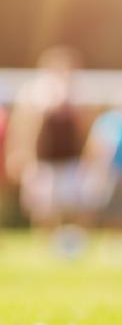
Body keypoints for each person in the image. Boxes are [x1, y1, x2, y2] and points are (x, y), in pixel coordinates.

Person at [5, 46, 87, 230]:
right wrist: (19, 153)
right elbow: (23, 125)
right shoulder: (35, 91)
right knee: (43, 208)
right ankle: (45, 246)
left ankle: (65, 243)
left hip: (70, 160)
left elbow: (83, 127)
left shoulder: (76, 93)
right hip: (43, 161)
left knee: (72, 206)